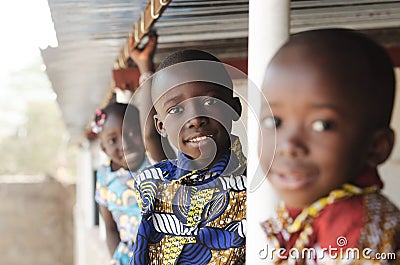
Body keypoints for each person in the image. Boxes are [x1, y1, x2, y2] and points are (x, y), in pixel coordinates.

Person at [259, 28, 400, 264]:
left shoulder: (351, 225)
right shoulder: (313, 213)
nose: (289, 145)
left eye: (322, 125)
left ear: (376, 146)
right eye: (274, 121)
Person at [129, 50, 247, 265]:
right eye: (176, 109)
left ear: (234, 108)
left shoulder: (257, 189)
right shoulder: (153, 182)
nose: (195, 119)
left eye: (210, 103)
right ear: (161, 126)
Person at [93, 103, 151, 265]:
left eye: (132, 132)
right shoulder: (104, 177)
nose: (125, 144)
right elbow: (110, 227)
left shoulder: (154, 165)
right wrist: (116, 259)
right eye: (113, 140)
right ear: (104, 148)